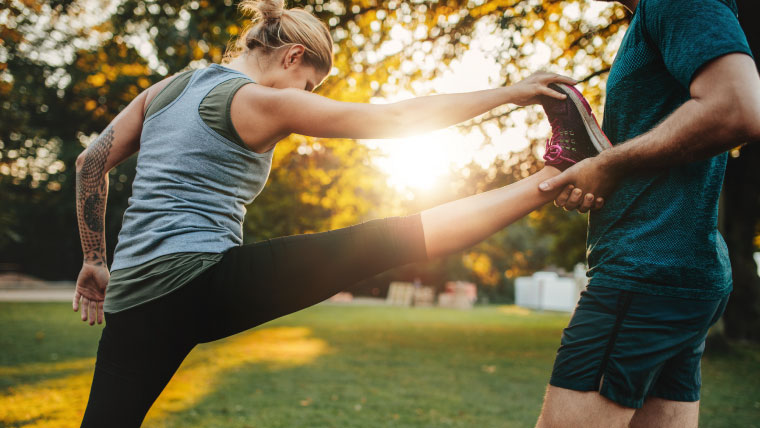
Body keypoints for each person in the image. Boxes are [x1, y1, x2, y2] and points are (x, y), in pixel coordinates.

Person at [73, 0, 607, 425]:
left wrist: (96, 261)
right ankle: (555, 177)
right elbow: (394, 119)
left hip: (132, 300)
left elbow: (89, 162)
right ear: (292, 56)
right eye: (309, 86)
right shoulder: (257, 100)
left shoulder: (166, 89)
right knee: (381, 242)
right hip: (197, 280)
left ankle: (554, 175)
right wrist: (511, 93)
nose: (305, 97)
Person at [534, 0, 760, 426]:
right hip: (683, 275)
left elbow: (737, 106)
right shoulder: (656, 15)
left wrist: (607, 166)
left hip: (644, 274)